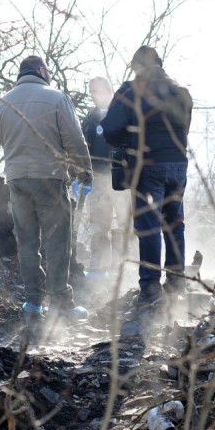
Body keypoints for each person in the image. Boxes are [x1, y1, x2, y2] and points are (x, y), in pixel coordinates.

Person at [0, 55, 93, 320]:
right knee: (57, 241)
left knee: (27, 242)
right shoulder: (57, 98)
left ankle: (33, 303)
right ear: (41, 71)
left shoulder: (1, 103)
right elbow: (74, 139)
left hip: (17, 181)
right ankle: (61, 303)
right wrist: (84, 172)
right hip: (49, 179)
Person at [99, 46, 192, 306]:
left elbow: (111, 128)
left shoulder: (131, 89)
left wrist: (126, 139)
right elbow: (184, 126)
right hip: (178, 164)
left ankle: (150, 287)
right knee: (174, 224)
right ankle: (175, 283)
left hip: (148, 164)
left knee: (148, 225)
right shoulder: (182, 91)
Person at [79, 76, 131, 278]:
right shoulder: (90, 118)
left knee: (128, 225)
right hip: (98, 179)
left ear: (109, 89)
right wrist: (80, 175)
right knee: (98, 227)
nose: (93, 95)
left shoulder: (124, 113)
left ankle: (129, 271)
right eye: (90, 91)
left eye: (97, 90)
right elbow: (83, 148)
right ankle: (98, 271)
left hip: (122, 179)